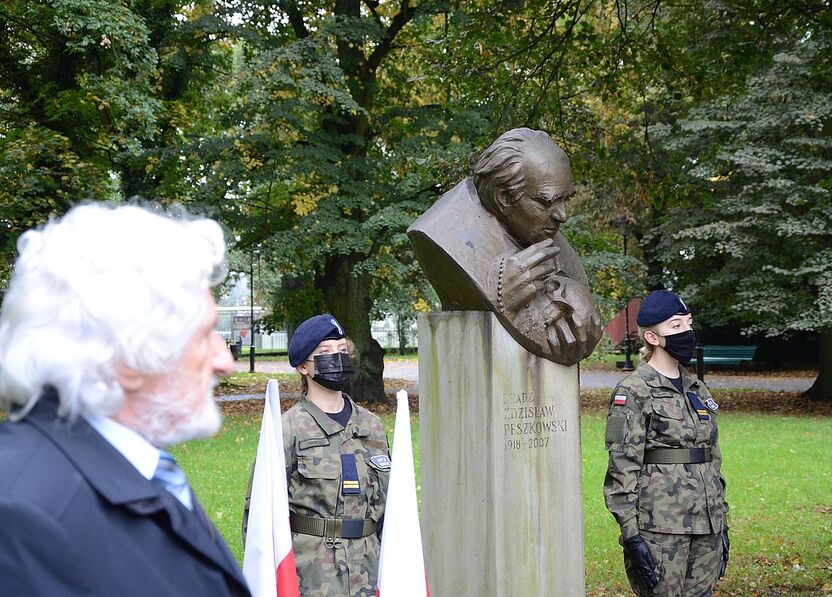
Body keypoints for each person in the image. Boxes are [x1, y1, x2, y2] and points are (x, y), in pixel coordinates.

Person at [0, 204, 250, 596]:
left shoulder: (134, 466)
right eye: (204, 335)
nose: (225, 361)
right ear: (129, 360)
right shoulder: (21, 516)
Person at [408, 127, 602, 365]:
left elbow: (583, 336)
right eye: (546, 202)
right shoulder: (441, 232)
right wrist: (499, 296)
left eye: (566, 198)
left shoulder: (553, 242)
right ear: (504, 198)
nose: (562, 215)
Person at [245, 314, 391, 596]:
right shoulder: (286, 429)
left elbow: (388, 506)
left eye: (342, 351)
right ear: (303, 366)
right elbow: (259, 518)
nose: (336, 358)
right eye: (324, 353)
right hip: (311, 577)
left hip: (369, 571)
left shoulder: (371, 425)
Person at [603, 290, 729, 597]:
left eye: (688, 323)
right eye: (675, 326)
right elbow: (622, 468)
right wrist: (632, 536)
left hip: (707, 524)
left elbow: (711, 456)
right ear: (653, 337)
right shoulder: (633, 391)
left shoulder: (695, 388)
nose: (686, 332)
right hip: (661, 527)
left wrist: (722, 521)